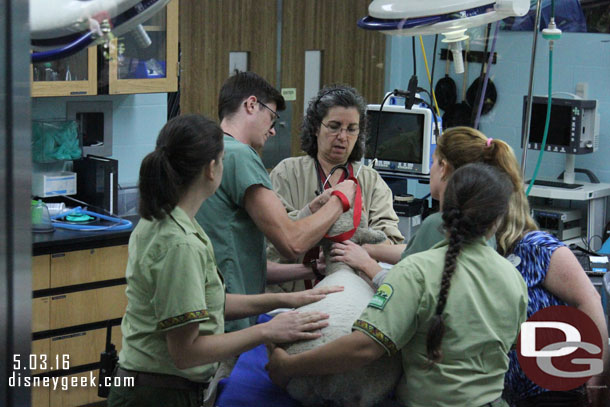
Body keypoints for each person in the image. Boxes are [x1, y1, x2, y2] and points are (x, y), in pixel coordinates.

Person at [108, 114, 343, 407]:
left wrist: (291, 300)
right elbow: (186, 353)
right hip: (158, 394)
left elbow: (206, 304)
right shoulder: (179, 243)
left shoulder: (172, 220)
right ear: (211, 169)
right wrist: (266, 331)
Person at [267, 163, 528, 407]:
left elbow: (362, 347)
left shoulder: (415, 273)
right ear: (497, 220)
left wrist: (289, 366)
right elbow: (511, 344)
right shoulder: (514, 278)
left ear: (445, 208)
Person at [195, 72, 357, 332]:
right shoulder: (241, 156)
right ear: (250, 105)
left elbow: (245, 263)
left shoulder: (211, 151)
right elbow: (292, 243)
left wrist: (312, 269)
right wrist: (340, 200)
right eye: (271, 117)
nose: (272, 129)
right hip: (224, 322)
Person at [331, 127, 514, 286]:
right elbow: (417, 250)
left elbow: (403, 290)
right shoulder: (483, 225)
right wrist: (369, 250)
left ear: (443, 167)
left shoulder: (440, 224)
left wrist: (366, 264)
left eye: (433, 161)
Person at [267, 84, 404, 292]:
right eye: (334, 126)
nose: (343, 137)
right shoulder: (286, 173)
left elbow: (391, 245)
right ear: (315, 128)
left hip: (354, 295)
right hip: (293, 297)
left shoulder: (371, 181)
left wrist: (357, 240)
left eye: (351, 129)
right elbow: (274, 242)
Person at [497, 175, 610, 405]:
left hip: (554, 392)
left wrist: (598, 376)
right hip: (519, 393)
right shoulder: (500, 257)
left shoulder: (537, 247)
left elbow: (590, 300)